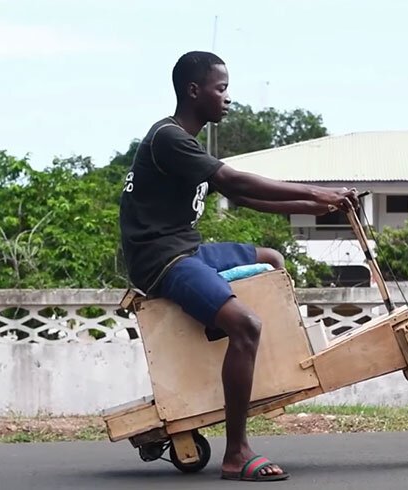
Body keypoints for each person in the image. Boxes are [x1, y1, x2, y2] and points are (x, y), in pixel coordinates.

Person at [119, 51, 358, 482]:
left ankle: (230, 339)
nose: (228, 98)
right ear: (195, 91)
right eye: (221, 88)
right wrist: (318, 192)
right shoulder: (169, 138)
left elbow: (245, 198)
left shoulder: (185, 143)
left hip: (187, 250)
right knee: (246, 324)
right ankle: (236, 453)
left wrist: (318, 205)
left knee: (272, 260)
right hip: (162, 260)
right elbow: (234, 182)